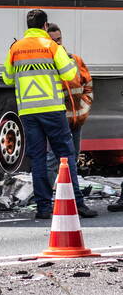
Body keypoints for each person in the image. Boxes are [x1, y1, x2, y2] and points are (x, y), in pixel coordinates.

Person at [1, 9, 82, 220]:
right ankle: (77, 203)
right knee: (66, 155)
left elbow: (7, 79)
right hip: (53, 110)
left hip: (28, 111)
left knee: (37, 159)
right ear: (45, 26)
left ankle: (43, 208)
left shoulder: (16, 49)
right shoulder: (51, 46)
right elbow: (70, 74)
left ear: (28, 26)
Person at [44, 24, 97, 217]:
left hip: (75, 121)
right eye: (53, 40)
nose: (57, 43)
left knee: (71, 160)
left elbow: (87, 85)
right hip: (58, 121)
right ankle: (45, 200)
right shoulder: (46, 64)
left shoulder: (74, 60)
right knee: (53, 160)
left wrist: (82, 111)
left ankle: (70, 201)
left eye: (59, 39)